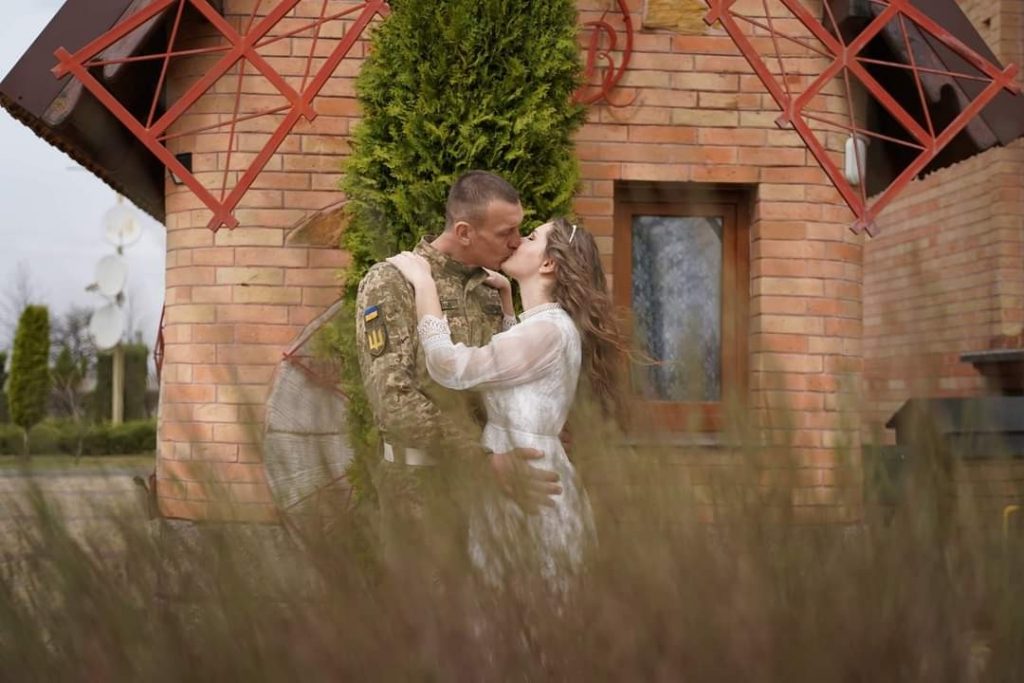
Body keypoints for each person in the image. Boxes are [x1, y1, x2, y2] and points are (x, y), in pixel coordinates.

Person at [386, 217, 626, 582]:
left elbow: (449, 367)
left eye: (530, 237)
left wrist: (424, 285)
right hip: (529, 471)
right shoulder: (549, 326)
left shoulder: (546, 332)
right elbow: (520, 378)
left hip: (526, 483)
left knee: (520, 597)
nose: (517, 242)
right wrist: (507, 303)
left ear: (548, 264)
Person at [355, 171, 561, 575]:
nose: (516, 241)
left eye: (519, 229)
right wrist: (483, 461)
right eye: (506, 232)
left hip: (490, 494)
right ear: (464, 232)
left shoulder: (491, 289)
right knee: (429, 611)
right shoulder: (393, 282)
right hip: (421, 492)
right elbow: (393, 399)